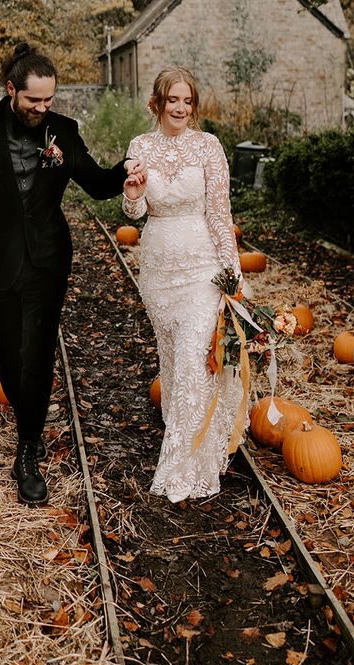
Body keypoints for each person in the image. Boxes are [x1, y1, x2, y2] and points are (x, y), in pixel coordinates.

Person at [0, 42, 140, 506]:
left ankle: (27, 451)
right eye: (33, 101)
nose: (43, 109)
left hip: (47, 259)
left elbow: (96, 183)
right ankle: (31, 419)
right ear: (10, 90)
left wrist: (126, 170)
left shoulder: (62, 131)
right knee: (7, 352)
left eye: (49, 100)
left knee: (38, 351)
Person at [122, 66, 244, 502]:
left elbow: (219, 214)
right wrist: (134, 194)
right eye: (172, 100)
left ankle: (187, 464)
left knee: (196, 357)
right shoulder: (140, 146)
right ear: (157, 103)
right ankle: (188, 433)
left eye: (187, 101)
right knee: (174, 362)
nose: (180, 108)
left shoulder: (209, 147)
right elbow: (133, 214)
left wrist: (232, 275)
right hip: (157, 271)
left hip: (201, 270)